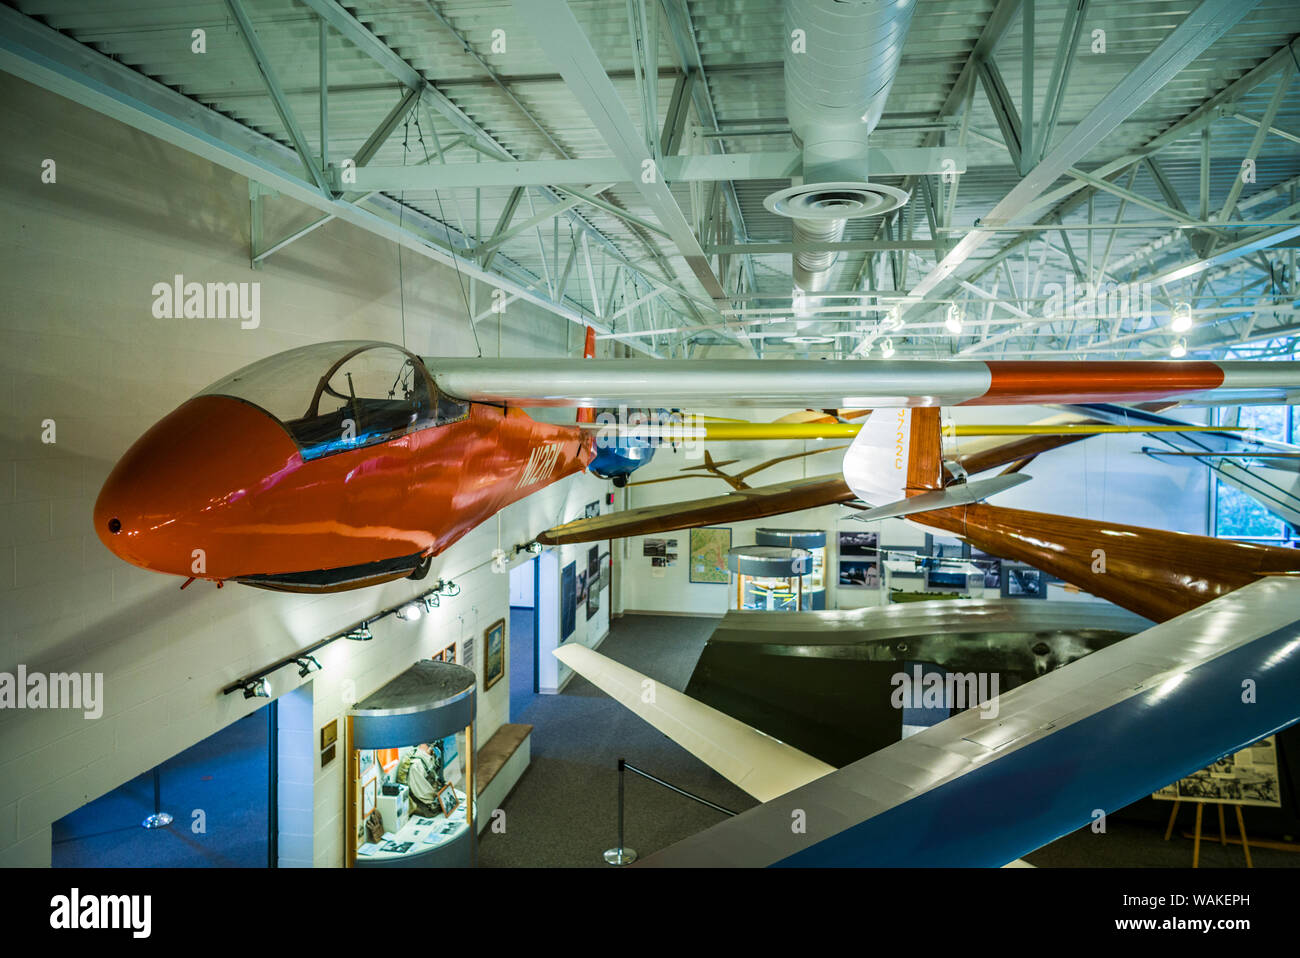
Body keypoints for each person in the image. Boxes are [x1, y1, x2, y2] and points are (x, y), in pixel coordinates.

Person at [397, 742, 444, 817]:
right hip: (425, 803)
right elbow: (423, 795)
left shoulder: (431, 755)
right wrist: (439, 797)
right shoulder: (416, 766)